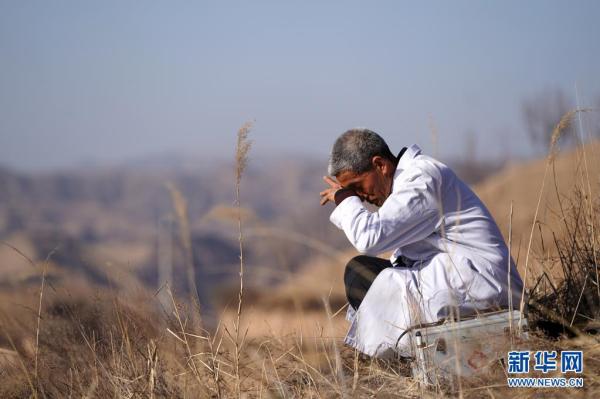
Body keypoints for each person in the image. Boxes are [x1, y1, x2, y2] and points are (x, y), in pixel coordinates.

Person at [319, 128, 524, 358]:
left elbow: (369, 239)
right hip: (459, 282)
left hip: (483, 286)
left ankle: (399, 359)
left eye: (358, 187)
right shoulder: (405, 185)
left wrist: (344, 200)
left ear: (380, 165)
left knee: (360, 275)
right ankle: (399, 356)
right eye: (352, 192)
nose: (360, 197)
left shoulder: (422, 178)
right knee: (366, 273)